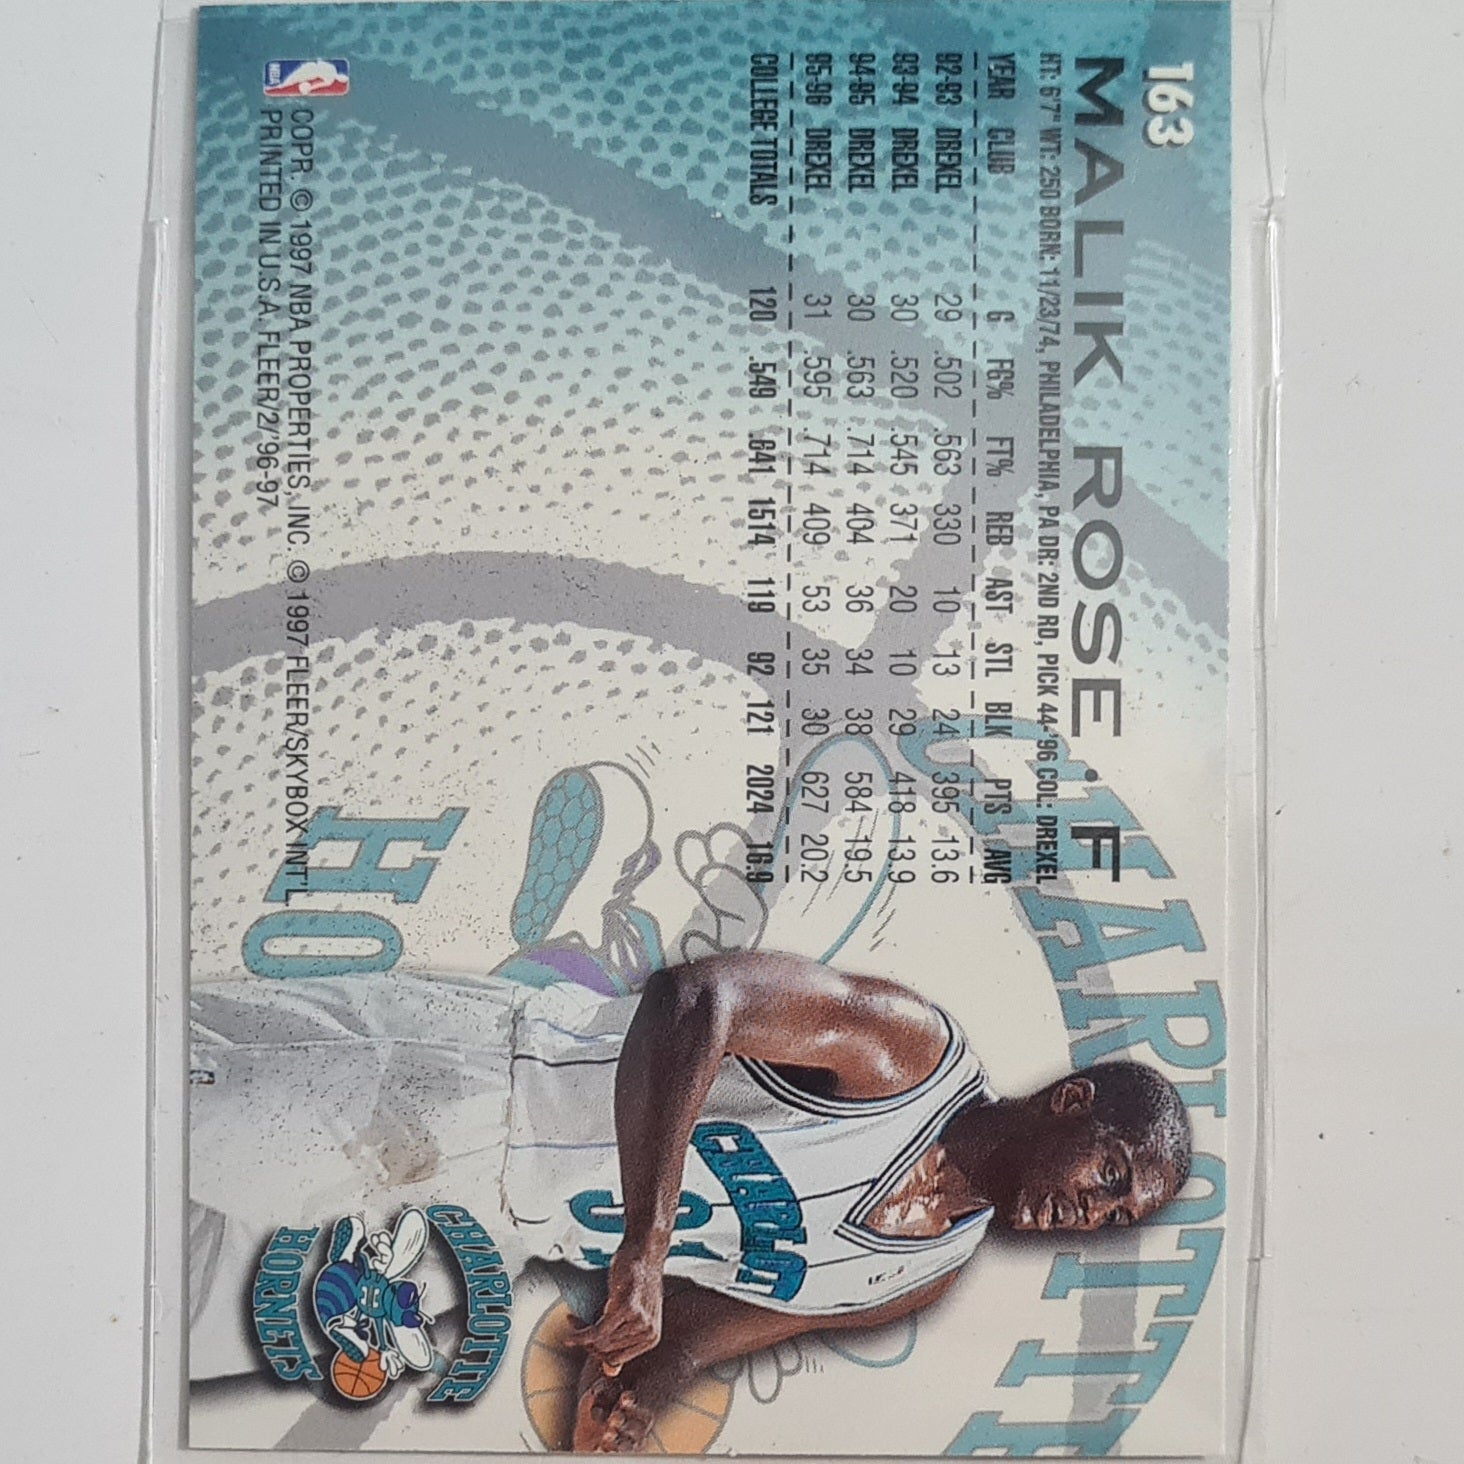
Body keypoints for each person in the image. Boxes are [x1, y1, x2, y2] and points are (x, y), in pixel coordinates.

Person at [187, 951, 1190, 1453]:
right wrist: (648, 1236)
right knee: (134, 1123)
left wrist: (629, 1404)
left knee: (171, 1323)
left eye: (1117, 1219)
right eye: (1109, 1177)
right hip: (471, 1084)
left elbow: (696, 1333)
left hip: (477, 1238)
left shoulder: (918, 1277)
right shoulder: (907, 1056)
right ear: (1070, 1104)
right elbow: (697, 1000)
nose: (1093, 1215)